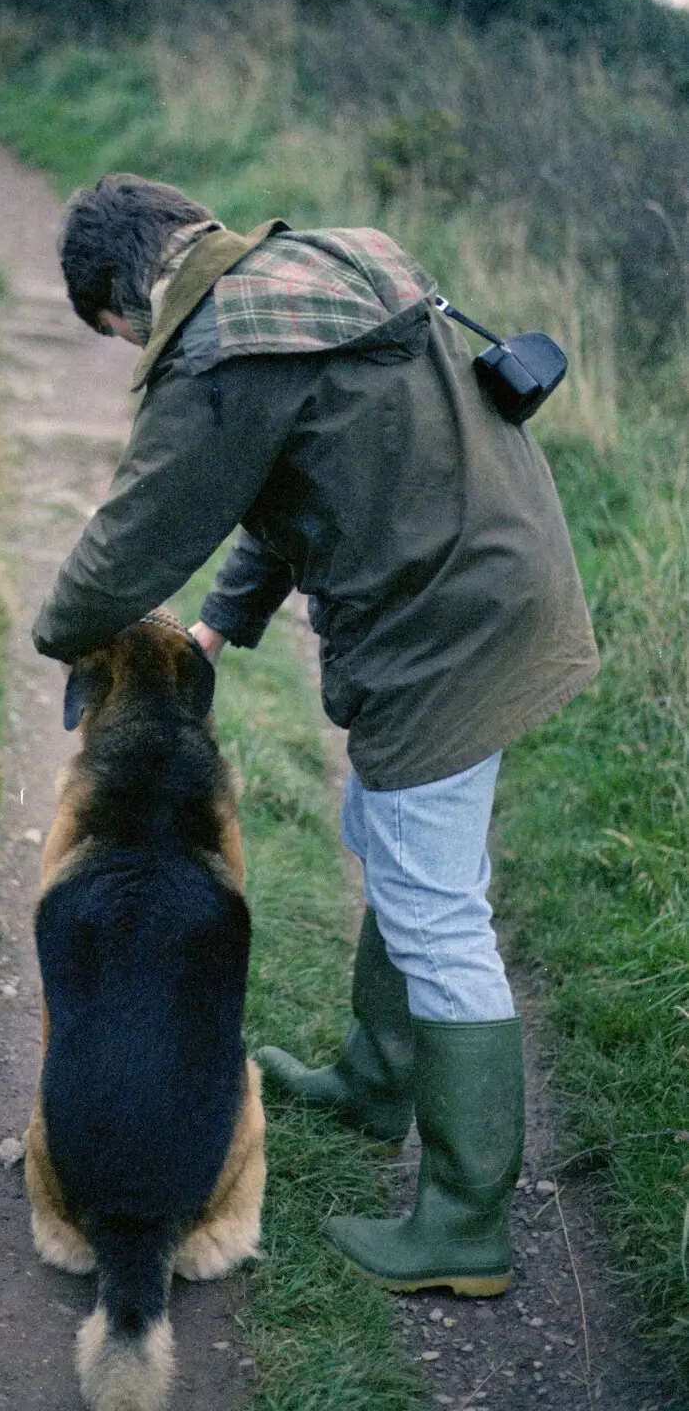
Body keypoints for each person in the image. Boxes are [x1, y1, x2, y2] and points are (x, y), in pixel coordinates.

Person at [31, 173, 599, 1298]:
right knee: (387, 830)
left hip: (441, 628)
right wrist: (226, 620)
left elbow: (129, 544)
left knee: (438, 910)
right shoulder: (330, 265)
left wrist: (63, 631)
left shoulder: (218, 356)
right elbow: (302, 480)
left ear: (123, 298)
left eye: (114, 335)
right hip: (498, 583)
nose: (129, 348)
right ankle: (375, 1075)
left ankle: (466, 1224)